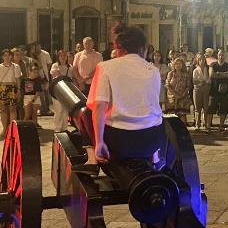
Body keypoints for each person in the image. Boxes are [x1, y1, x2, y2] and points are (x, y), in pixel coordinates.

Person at [88, 23, 164, 163]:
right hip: (152, 137)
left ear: (119, 48)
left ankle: (91, 157)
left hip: (120, 139)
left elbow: (99, 106)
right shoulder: (154, 71)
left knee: (87, 113)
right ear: (143, 48)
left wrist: (98, 142)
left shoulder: (106, 67)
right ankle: (154, 157)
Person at [0, 49, 22, 138]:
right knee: (3, 109)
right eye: (5, 55)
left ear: (11, 56)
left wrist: (19, 90)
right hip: (1, 88)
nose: (7, 57)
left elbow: (17, 79)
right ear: (2, 57)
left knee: (12, 109)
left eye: (9, 55)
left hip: (12, 87)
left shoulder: (16, 66)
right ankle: (5, 129)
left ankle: (12, 129)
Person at [207, 50, 228, 130]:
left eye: (222, 55)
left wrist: (218, 73)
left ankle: (221, 126)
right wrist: (224, 74)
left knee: (223, 109)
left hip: (225, 91)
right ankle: (208, 126)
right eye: (220, 55)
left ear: (225, 56)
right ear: (217, 55)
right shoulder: (213, 64)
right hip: (214, 90)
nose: (221, 56)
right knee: (210, 108)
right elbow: (211, 75)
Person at [50, 49, 73, 132]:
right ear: (58, 57)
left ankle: (64, 128)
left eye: (65, 56)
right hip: (57, 91)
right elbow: (54, 74)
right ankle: (58, 129)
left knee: (65, 110)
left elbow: (72, 78)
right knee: (58, 110)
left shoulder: (70, 67)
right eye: (61, 55)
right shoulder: (55, 65)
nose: (63, 57)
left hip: (67, 91)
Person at [166, 57, 191, 124]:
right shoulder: (170, 73)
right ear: (174, 65)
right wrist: (175, 95)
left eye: (180, 63)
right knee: (172, 116)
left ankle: (183, 132)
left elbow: (188, 86)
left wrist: (183, 94)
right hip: (172, 98)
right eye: (176, 64)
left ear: (182, 65)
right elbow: (167, 85)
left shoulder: (186, 74)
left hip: (183, 97)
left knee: (182, 115)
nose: (178, 65)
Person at [191, 53, 210, 131]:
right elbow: (194, 81)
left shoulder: (207, 69)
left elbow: (209, 79)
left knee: (205, 107)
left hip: (205, 89)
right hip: (197, 89)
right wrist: (201, 82)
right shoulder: (195, 70)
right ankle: (197, 124)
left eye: (203, 59)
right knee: (197, 107)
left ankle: (206, 124)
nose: (202, 61)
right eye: (200, 60)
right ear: (198, 61)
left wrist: (205, 82)